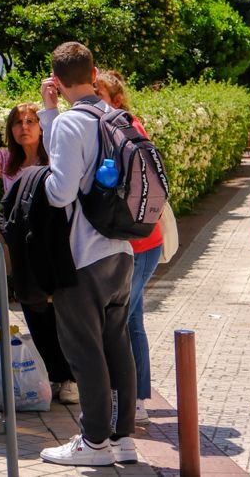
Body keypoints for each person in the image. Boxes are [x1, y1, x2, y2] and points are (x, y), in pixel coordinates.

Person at [38, 42, 137, 466]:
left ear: (57, 82)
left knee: (84, 351)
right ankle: (123, 440)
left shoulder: (69, 123)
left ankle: (94, 443)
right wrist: (48, 116)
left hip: (85, 254)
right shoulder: (118, 117)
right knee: (118, 347)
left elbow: (60, 192)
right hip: (123, 249)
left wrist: (34, 184)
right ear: (95, 74)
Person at [0, 103, 77, 405]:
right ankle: (53, 372)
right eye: (18, 122)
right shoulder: (6, 161)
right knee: (33, 310)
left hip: (54, 244)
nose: (24, 127)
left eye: (31, 121)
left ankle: (70, 377)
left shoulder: (57, 158)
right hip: (23, 249)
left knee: (59, 311)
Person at [95, 69, 162, 425]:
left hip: (137, 242)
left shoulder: (119, 129)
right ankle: (134, 398)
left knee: (125, 320)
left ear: (116, 99)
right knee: (130, 318)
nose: (91, 98)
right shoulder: (127, 124)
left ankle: (133, 400)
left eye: (98, 91)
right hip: (144, 238)